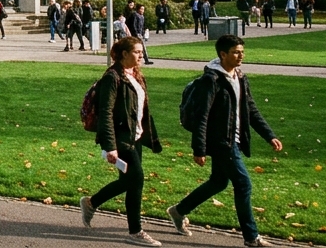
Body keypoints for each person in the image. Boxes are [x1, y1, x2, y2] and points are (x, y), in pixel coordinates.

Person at [166, 34, 283, 248]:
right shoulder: (210, 81)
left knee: (219, 182)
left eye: (242, 52)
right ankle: (251, 237)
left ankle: (179, 210)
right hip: (221, 141)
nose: (241, 56)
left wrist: (270, 135)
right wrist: (199, 148)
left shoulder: (239, 76)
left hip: (234, 139)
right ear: (222, 54)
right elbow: (202, 116)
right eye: (236, 52)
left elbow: (251, 109)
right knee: (243, 184)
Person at [80, 36, 164, 247]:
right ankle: (135, 232)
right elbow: (105, 112)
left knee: (128, 181)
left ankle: (91, 203)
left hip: (134, 137)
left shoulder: (135, 75)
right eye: (137, 52)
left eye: (141, 51)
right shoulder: (112, 77)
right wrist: (110, 146)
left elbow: (141, 110)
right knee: (136, 180)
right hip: (120, 138)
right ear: (124, 54)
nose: (141, 55)